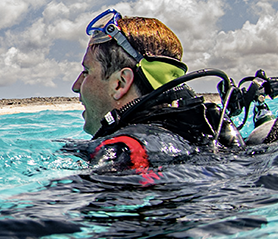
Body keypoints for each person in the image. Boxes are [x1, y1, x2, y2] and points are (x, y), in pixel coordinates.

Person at [70, 9, 247, 179]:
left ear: (120, 83)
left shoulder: (124, 152)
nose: (76, 86)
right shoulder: (205, 135)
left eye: (86, 71)